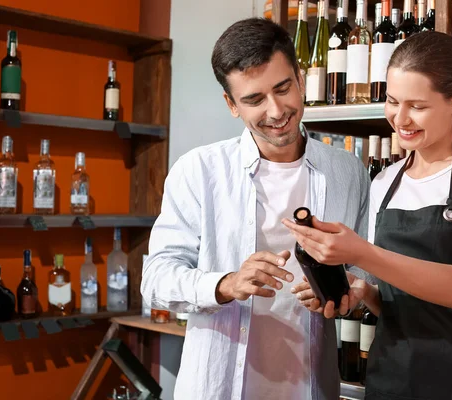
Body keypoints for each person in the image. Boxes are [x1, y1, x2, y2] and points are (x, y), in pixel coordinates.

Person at [284, 31, 452, 399]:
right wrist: (362, 292)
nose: (399, 119)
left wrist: (360, 253)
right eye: (392, 101)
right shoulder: (385, 182)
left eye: (417, 106)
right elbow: (396, 300)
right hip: (397, 376)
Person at [140, 17, 371, 400]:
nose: (277, 110)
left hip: (312, 386)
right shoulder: (198, 171)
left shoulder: (347, 171)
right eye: (254, 100)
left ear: (300, 78)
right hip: (217, 386)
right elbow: (156, 279)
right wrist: (227, 284)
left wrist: (345, 295)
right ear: (231, 104)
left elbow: (362, 270)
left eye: (283, 88)